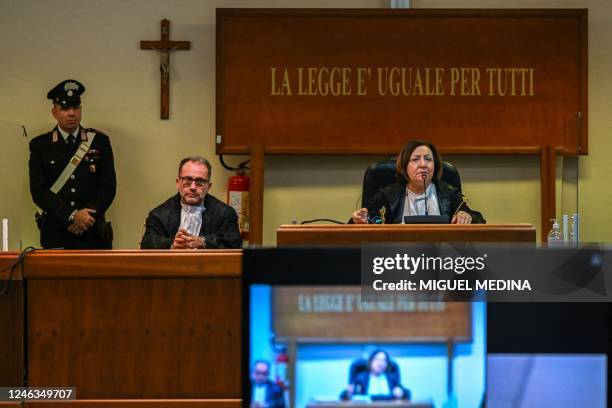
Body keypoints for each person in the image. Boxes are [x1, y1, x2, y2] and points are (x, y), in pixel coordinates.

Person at [29, 79, 116, 249]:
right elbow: (38, 191)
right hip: (57, 231)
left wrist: (86, 218)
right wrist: (71, 215)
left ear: (81, 109)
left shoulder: (99, 142)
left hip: (93, 232)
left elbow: (108, 186)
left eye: (75, 108)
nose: (71, 113)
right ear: (54, 112)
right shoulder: (40, 146)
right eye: (65, 108)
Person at [352, 140, 484, 224]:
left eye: (428, 159)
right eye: (415, 159)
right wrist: (359, 219)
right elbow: (362, 222)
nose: (423, 165)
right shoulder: (387, 196)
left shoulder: (449, 194)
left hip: (443, 261)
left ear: (435, 165)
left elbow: (479, 220)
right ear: (404, 166)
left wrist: (467, 216)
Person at [140, 156, 242, 249]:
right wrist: (172, 244)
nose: (193, 187)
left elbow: (234, 242)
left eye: (200, 182)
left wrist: (203, 242)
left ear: (208, 186)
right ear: (178, 183)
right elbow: (148, 243)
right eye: (187, 180)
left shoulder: (225, 214)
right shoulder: (159, 215)